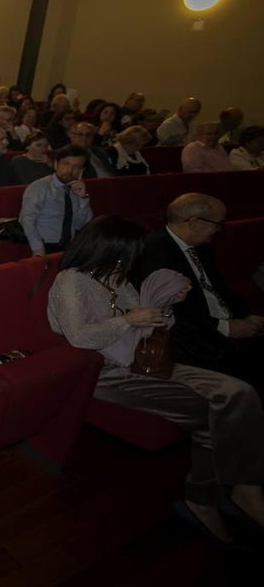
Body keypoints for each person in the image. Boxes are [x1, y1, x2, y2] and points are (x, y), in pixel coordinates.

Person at [49, 215, 264, 545]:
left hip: (145, 358)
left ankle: (246, 486)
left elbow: (150, 320)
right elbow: (79, 337)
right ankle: (203, 499)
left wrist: (165, 306)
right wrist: (128, 320)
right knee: (210, 409)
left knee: (240, 391)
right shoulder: (71, 281)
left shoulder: (116, 276)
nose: (135, 259)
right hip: (106, 372)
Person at [133, 194, 264, 393]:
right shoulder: (154, 252)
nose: (219, 230)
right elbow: (176, 310)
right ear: (194, 223)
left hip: (218, 325)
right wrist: (225, 327)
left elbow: (219, 289)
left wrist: (245, 316)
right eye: (217, 224)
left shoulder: (200, 246)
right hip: (193, 337)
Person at [20, 145, 92, 256]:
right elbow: (27, 220)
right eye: (66, 164)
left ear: (82, 171)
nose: (70, 170)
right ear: (55, 164)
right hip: (45, 246)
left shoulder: (76, 189)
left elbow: (80, 225)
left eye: (77, 167)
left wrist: (83, 198)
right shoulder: (40, 187)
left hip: (70, 247)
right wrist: (38, 249)